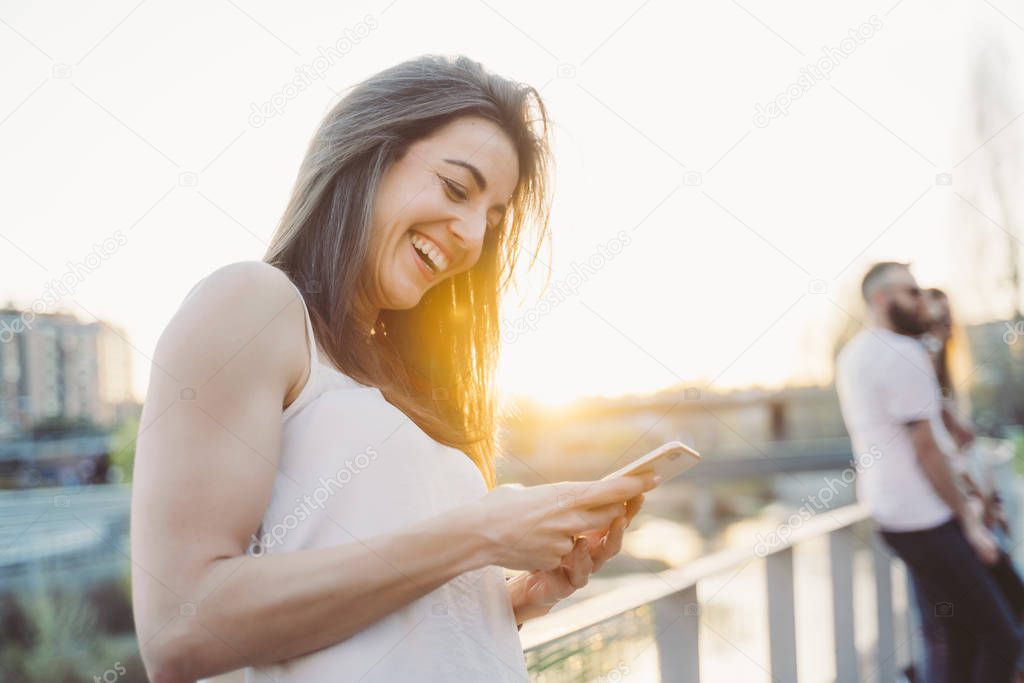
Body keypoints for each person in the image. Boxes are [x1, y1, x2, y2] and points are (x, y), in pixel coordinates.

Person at [130, 54, 660, 683]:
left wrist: (505, 601)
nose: (470, 234)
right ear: (367, 157)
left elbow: (371, 611)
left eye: (493, 220)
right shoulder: (253, 304)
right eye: (456, 189)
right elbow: (181, 628)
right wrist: (479, 534)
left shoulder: (396, 380)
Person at [835, 261, 1023, 682]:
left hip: (892, 517)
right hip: (926, 518)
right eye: (911, 292)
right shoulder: (903, 352)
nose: (920, 300)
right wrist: (971, 523)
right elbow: (927, 450)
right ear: (881, 299)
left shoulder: (853, 354)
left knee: (954, 633)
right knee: (1002, 639)